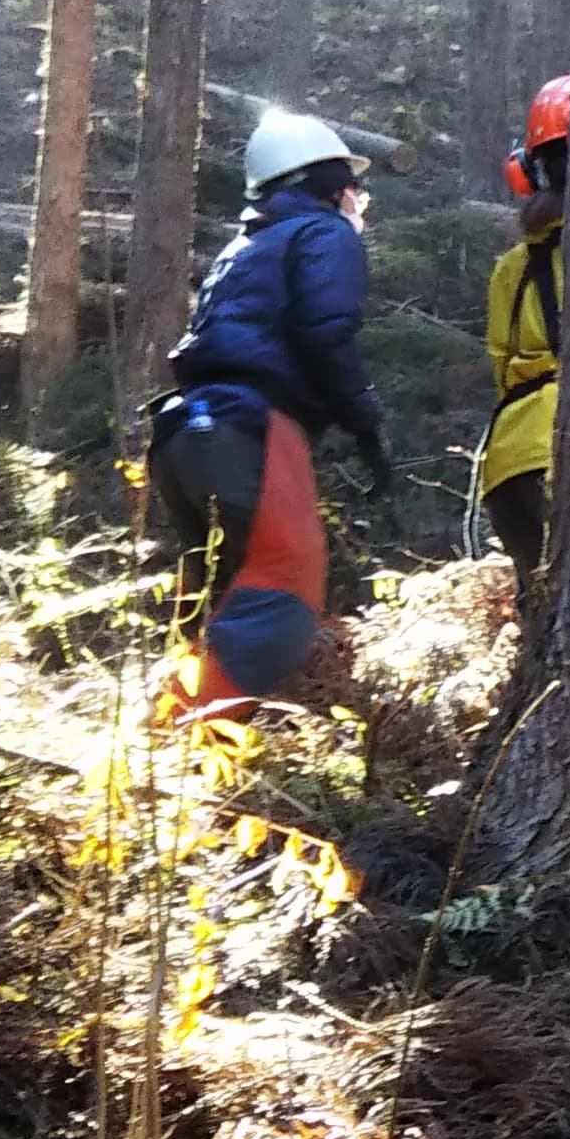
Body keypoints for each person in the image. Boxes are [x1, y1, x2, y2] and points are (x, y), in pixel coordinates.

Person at [149, 110, 391, 715]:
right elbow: (324, 330)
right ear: (331, 185)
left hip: (185, 430)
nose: (357, 202)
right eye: (354, 189)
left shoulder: (246, 246)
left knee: (215, 598)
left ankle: (167, 734)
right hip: (249, 425)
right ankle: (188, 744)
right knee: (280, 595)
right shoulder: (324, 232)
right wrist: (365, 424)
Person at [480, 74, 570, 581]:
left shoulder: (510, 268)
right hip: (565, 450)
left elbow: (501, 365)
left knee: (541, 610)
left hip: (508, 460)